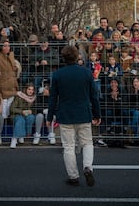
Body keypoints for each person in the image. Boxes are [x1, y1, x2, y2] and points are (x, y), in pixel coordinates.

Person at [47, 45, 101, 187]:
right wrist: (97, 114)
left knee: (69, 146)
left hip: (65, 114)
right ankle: (88, 167)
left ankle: (73, 176)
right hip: (83, 113)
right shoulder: (86, 73)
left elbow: (53, 98)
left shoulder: (58, 75)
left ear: (63, 58)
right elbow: (93, 96)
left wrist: (49, 117)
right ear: (78, 56)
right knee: (87, 142)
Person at [0, 41, 19, 119]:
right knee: (4, 105)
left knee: (11, 103)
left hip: (12, 82)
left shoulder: (11, 55)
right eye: (5, 46)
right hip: (3, 82)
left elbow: (14, 65)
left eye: (8, 46)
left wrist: (16, 68)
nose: (7, 48)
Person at [9, 83, 36, 148]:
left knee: (31, 117)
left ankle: (22, 135)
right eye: (29, 89)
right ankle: (14, 139)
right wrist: (22, 112)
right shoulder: (19, 96)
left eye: (32, 90)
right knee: (21, 119)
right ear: (25, 89)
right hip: (16, 115)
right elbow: (12, 108)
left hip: (26, 115)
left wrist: (31, 111)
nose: (31, 91)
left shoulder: (33, 98)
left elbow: (35, 109)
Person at [32, 80, 56, 145]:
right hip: (41, 114)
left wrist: (50, 111)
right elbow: (35, 107)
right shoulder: (39, 97)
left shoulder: (53, 97)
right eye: (44, 88)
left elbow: (56, 107)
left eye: (47, 88)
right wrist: (42, 110)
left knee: (49, 115)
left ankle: (51, 134)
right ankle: (37, 135)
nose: (45, 90)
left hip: (52, 114)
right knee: (39, 116)